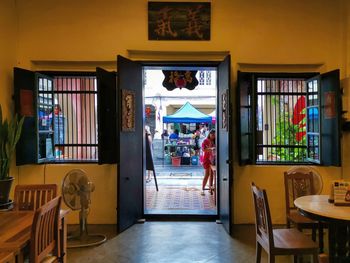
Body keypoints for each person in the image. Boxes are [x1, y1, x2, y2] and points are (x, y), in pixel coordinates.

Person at [201, 129, 215, 196]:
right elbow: (203, 149)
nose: (213, 136)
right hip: (207, 159)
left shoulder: (215, 141)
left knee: (212, 174)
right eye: (212, 134)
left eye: (214, 135)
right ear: (209, 134)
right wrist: (211, 149)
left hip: (213, 160)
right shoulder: (205, 141)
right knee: (207, 174)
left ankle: (210, 189)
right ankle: (202, 189)